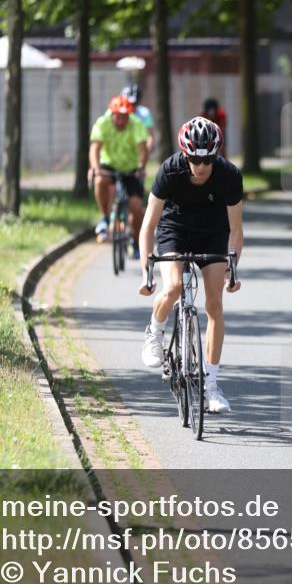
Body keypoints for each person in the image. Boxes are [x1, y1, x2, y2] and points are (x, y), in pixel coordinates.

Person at [138, 117, 244, 414]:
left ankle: (211, 386)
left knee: (214, 305)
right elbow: (148, 226)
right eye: (195, 159)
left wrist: (231, 270)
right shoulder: (170, 171)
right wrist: (146, 272)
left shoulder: (228, 175)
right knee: (173, 287)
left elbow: (236, 229)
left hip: (213, 232)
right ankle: (155, 332)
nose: (200, 165)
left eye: (207, 159)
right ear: (185, 154)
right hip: (175, 229)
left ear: (215, 156)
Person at [89, 95, 149, 258]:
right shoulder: (103, 123)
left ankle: (136, 242)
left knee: (136, 207)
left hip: (131, 168)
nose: (122, 121)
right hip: (109, 165)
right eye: (119, 117)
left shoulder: (136, 124)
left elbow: (143, 149)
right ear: (112, 113)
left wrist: (141, 166)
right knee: (100, 180)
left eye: (125, 117)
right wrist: (94, 169)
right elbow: (95, 149)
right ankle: (104, 218)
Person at [120, 84, 156, 159]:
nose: (132, 106)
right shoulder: (117, 113)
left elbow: (150, 136)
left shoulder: (144, 113)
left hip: (138, 151)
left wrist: (145, 154)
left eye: (135, 103)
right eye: (128, 103)